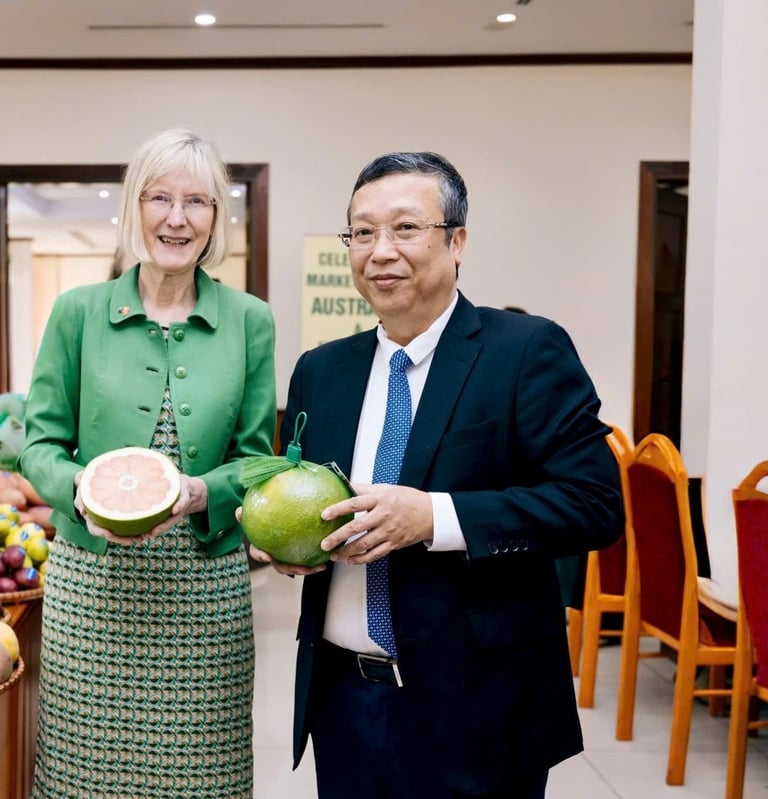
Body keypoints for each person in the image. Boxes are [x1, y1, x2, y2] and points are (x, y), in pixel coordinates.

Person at [250, 152, 623, 798]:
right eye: (362, 232)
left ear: (457, 242)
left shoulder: (525, 352)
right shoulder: (321, 371)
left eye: (405, 228)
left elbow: (593, 503)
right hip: (344, 701)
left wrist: (436, 517)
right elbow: (311, 499)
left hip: (479, 706)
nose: (380, 250)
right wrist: (294, 549)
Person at [19, 128, 277, 799]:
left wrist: (198, 492)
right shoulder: (78, 313)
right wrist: (78, 488)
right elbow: (38, 445)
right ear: (135, 208)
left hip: (204, 594)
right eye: (159, 198)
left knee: (205, 781)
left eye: (197, 201)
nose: (177, 217)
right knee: (84, 781)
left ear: (216, 218)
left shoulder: (250, 321)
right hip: (93, 591)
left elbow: (255, 461)